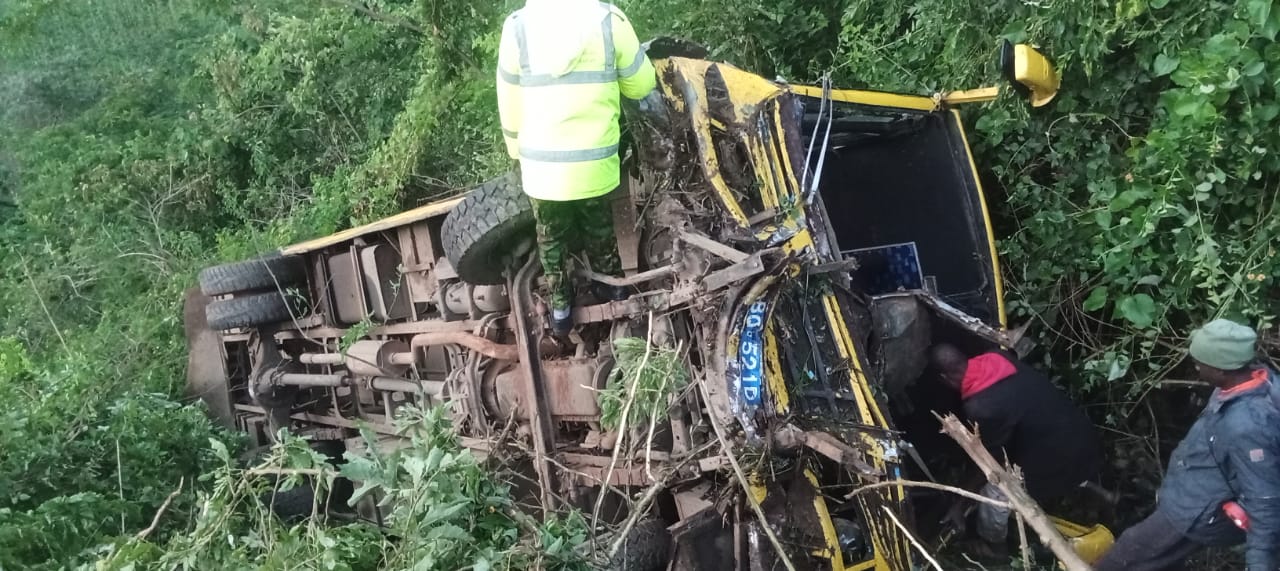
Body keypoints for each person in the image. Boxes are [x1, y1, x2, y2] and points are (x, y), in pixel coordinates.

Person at [496, 0, 662, 335]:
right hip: (594, 163)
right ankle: (613, 289)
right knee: (599, 228)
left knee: (551, 237)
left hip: (542, 169)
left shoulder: (517, 28)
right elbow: (642, 85)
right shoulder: (609, 20)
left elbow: (509, 103)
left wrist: (517, 151)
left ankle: (560, 308)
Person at [1096, 319, 1280, 571]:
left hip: (1196, 511)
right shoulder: (1256, 379)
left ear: (1222, 369)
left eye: (1199, 363)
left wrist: (1259, 564)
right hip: (1194, 491)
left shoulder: (1246, 425)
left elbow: (1265, 499)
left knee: (1122, 559)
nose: (1195, 367)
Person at [929, 344, 1103, 557]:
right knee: (1062, 456)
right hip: (1079, 433)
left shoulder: (981, 408)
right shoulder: (997, 357)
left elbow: (991, 461)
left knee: (994, 491)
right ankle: (1101, 493)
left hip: (1058, 457)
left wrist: (960, 503)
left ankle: (995, 547)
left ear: (945, 379)